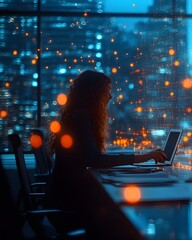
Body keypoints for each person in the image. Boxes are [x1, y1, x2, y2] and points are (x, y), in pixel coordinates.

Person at [46, 70, 167, 231]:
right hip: (69, 206)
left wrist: (140, 157)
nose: (110, 97)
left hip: (66, 198)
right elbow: (95, 159)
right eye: (107, 91)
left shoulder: (76, 116)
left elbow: (92, 157)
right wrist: (142, 158)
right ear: (95, 94)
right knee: (126, 218)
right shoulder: (80, 118)